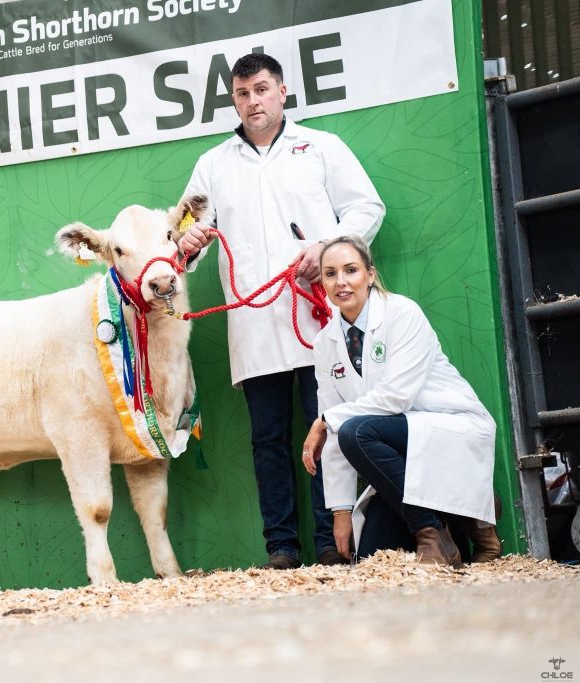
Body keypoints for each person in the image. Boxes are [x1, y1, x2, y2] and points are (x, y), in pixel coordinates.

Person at [178, 53, 385, 569]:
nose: (254, 101)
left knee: (327, 425)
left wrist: (327, 246)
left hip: (318, 316)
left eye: (262, 89)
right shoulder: (213, 164)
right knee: (268, 438)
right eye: (243, 93)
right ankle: (281, 548)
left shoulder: (320, 148)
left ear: (282, 92)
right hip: (254, 322)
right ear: (234, 99)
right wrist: (190, 239)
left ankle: (329, 544)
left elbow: (368, 207)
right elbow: (182, 234)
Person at [301, 236, 502, 565]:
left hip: (446, 427)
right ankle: (459, 518)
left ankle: (435, 531)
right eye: (330, 273)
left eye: (350, 270)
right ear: (321, 282)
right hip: (397, 452)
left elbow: (396, 398)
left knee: (356, 431)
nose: (341, 282)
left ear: (370, 273)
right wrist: (340, 510)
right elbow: (334, 427)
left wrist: (326, 420)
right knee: (371, 555)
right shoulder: (325, 343)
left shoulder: (402, 313)